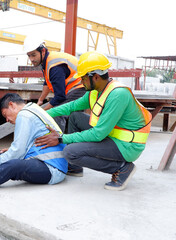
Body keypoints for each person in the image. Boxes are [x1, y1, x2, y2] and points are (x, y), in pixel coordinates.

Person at [34, 51, 152, 191]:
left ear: (95, 77)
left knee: (70, 152)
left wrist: (61, 138)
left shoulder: (117, 95)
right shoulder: (95, 91)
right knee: (75, 117)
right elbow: (71, 106)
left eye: (83, 78)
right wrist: (42, 113)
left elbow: (98, 134)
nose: (81, 82)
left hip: (127, 145)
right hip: (113, 135)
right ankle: (75, 167)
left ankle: (122, 168)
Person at [23, 36, 87, 131]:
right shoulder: (47, 61)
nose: (31, 59)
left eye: (33, 55)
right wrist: (40, 100)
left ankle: (58, 141)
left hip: (80, 88)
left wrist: (43, 112)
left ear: (43, 51)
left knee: (56, 113)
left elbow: (60, 97)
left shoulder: (54, 67)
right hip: (73, 88)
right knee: (58, 110)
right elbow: (47, 82)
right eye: (29, 56)